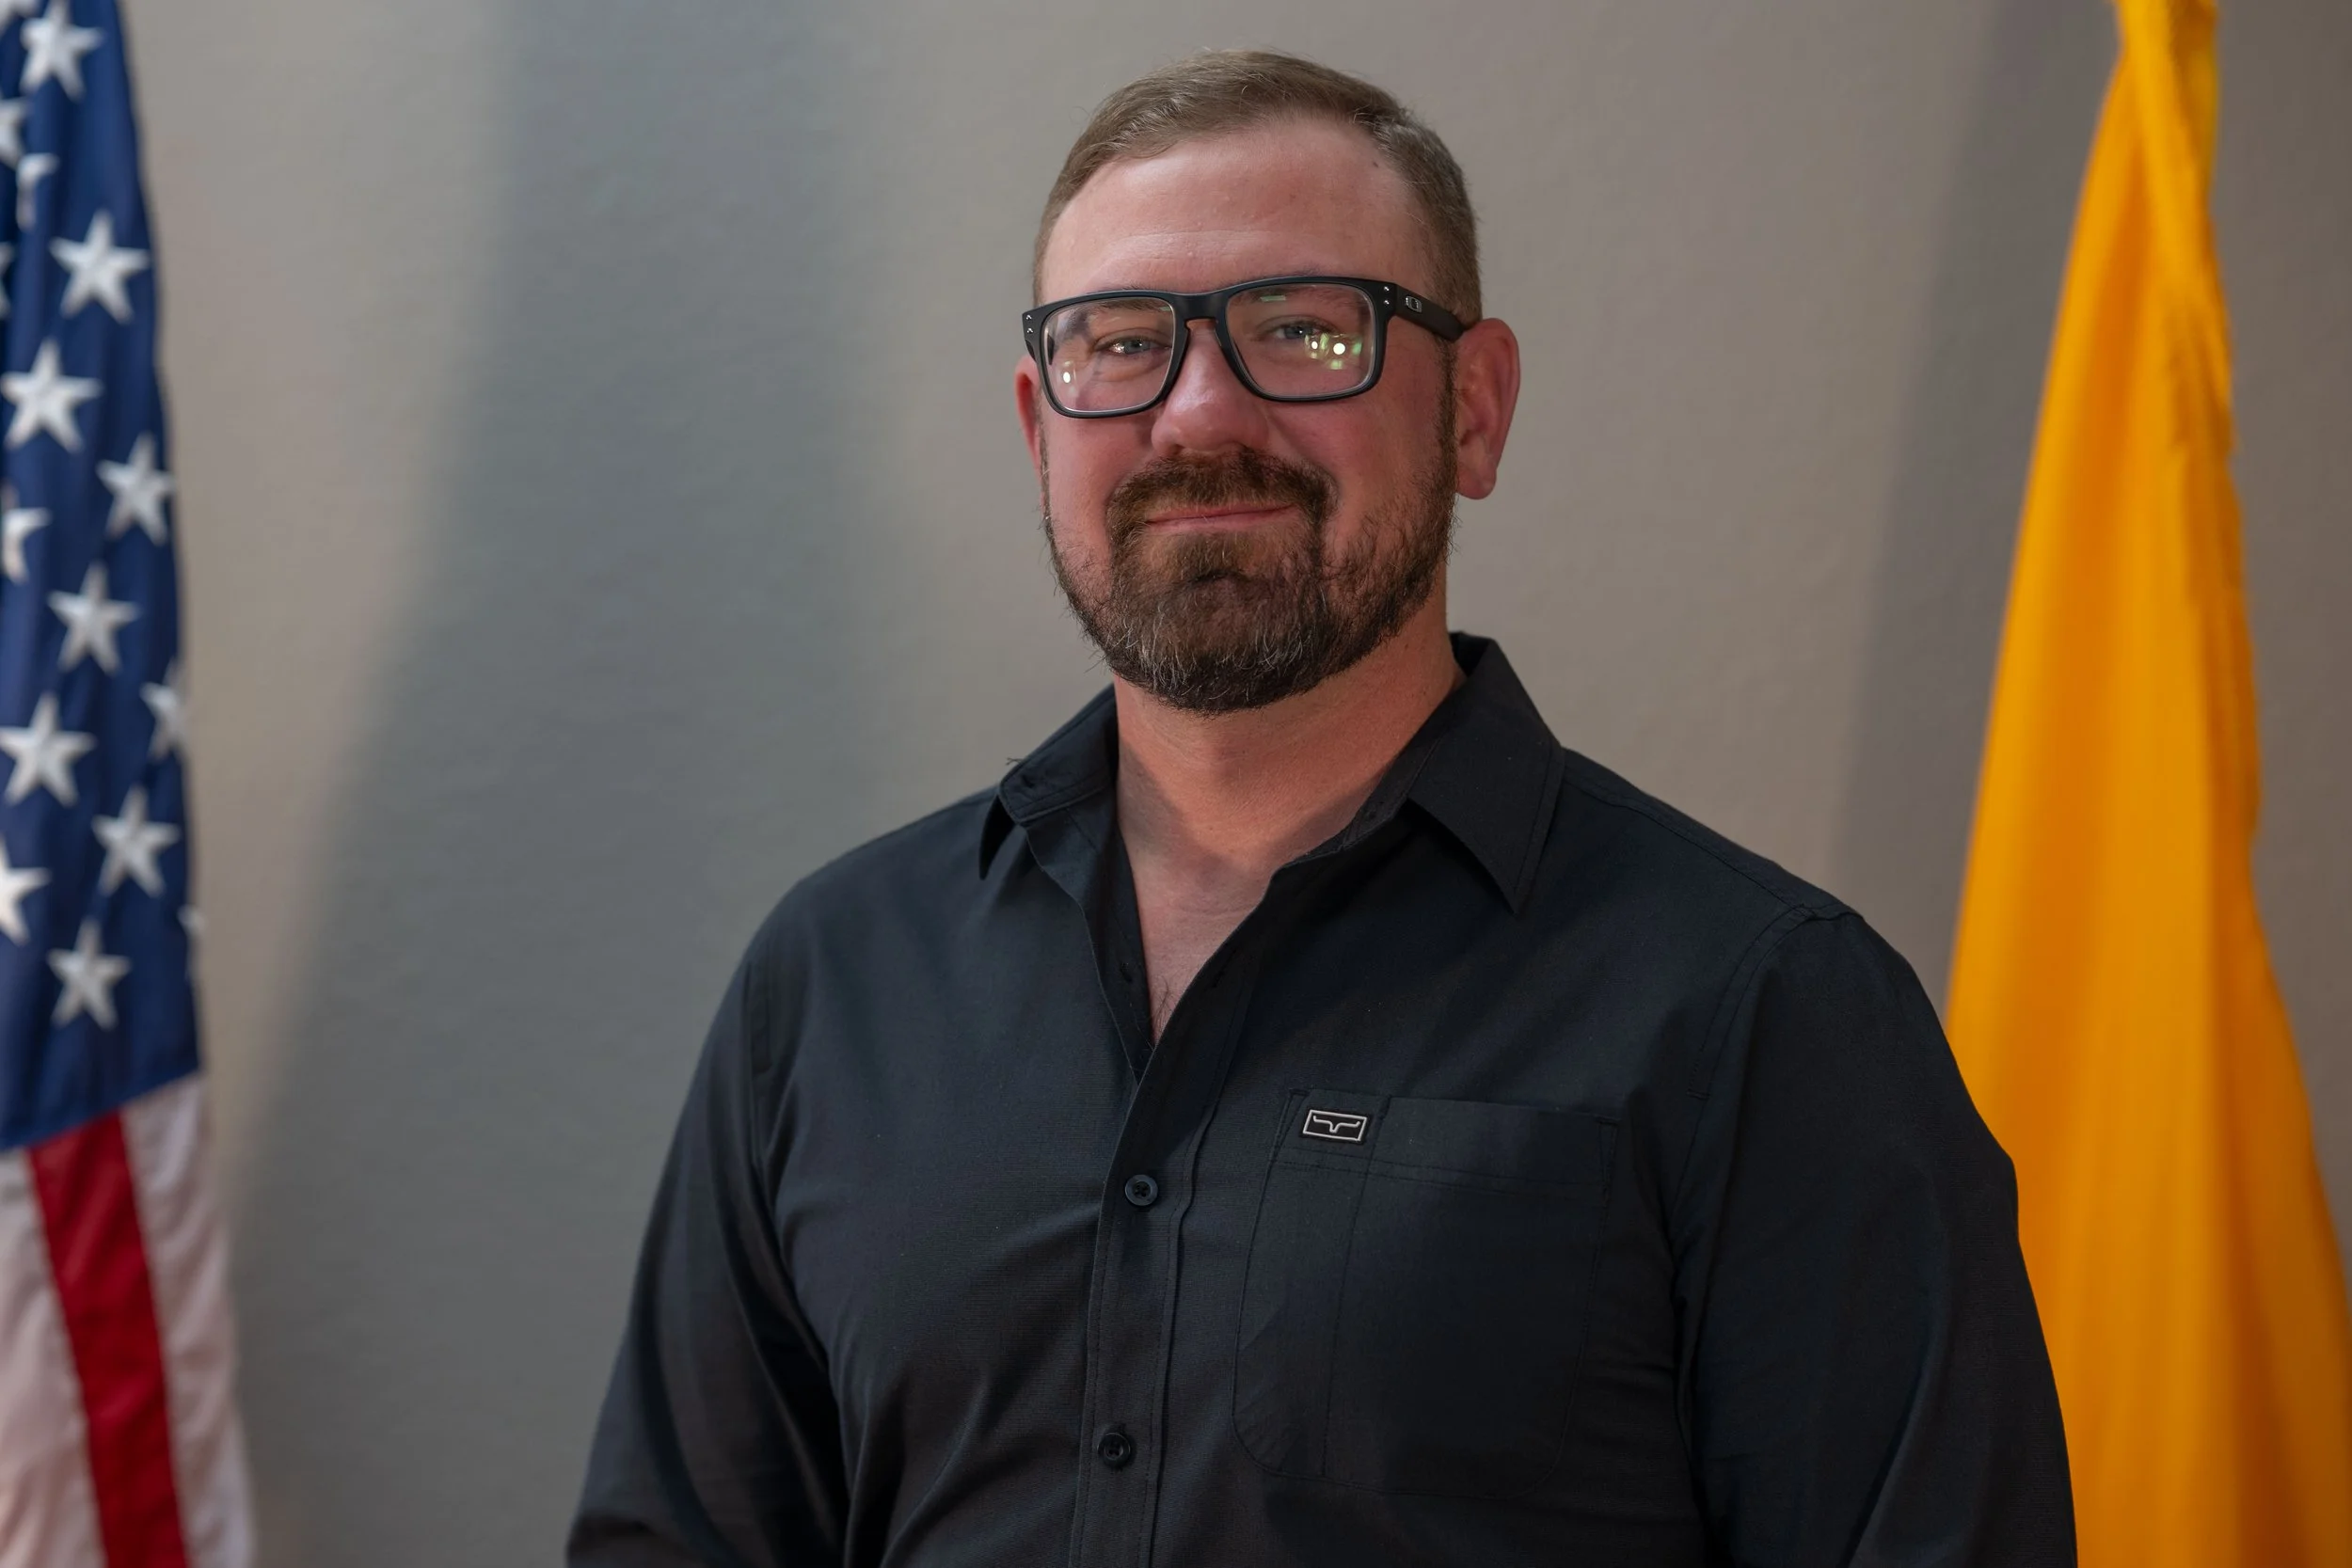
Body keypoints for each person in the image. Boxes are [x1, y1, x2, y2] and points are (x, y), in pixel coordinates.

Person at [568, 49, 2073, 1567]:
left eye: (1304, 330)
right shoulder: (833, 985)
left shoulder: (1771, 1015)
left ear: (1473, 411)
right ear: (1040, 425)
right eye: (1121, 343)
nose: (1199, 413)